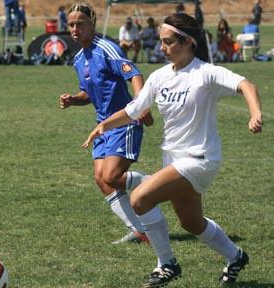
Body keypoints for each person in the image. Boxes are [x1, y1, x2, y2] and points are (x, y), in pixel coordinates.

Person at [83, 13, 263, 287]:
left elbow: (246, 85)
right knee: (191, 222)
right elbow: (135, 110)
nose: (162, 48)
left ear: (188, 42)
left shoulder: (206, 72)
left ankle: (166, 264)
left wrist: (255, 113)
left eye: (168, 42)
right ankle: (235, 256)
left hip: (200, 159)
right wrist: (104, 126)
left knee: (140, 199)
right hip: (174, 161)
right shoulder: (160, 77)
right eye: (161, 42)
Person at [59, 3, 157, 245]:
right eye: (71, 25)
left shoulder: (107, 49)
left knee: (112, 175)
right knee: (101, 180)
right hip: (102, 126)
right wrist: (74, 100)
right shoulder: (79, 59)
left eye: (80, 24)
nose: (75, 29)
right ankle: (141, 231)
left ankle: (166, 182)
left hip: (123, 122)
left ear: (92, 25)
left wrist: (140, 104)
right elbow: (88, 94)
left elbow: (133, 73)